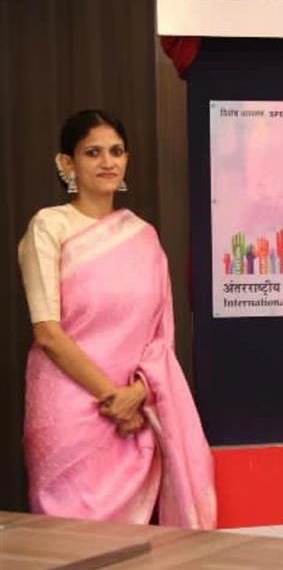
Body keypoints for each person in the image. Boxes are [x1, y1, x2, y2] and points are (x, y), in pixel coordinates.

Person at [18, 110, 216, 528]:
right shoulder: (49, 226)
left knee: (132, 543)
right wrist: (113, 398)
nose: (107, 162)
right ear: (67, 163)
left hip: (134, 412)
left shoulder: (143, 236)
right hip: (70, 412)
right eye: (93, 153)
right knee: (67, 538)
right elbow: (48, 332)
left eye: (116, 151)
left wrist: (138, 393)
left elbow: (161, 335)